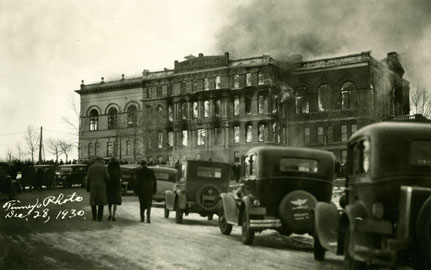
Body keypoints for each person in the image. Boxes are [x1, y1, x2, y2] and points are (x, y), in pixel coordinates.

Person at [86, 156, 109, 221]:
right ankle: (99, 217)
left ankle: (94, 217)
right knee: (100, 203)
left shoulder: (91, 168)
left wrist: (87, 187)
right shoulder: (104, 168)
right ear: (100, 160)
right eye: (102, 160)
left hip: (93, 187)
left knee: (93, 202)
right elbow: (107, 177)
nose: (103, 161)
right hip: (101, 187)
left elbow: (88, 178)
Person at [107, 157, 122, 221]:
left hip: (109, 185)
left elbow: (106, 176)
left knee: (109, 201)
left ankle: (110, 214)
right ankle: (114, 215)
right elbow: (120, 176)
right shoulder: (118, 167)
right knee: (115, 201)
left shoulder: (108, 167)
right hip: (116, 185)